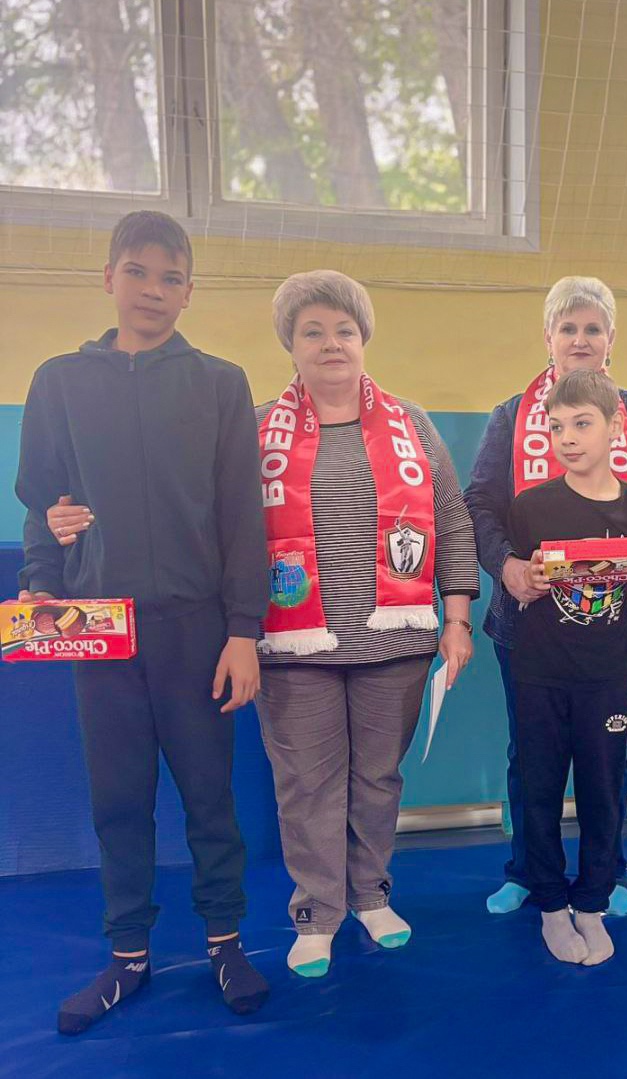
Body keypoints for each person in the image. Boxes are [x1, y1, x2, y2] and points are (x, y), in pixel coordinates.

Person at [16, 210, 270, 1034]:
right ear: (108, 278)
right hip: (101, 629)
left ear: (189, 291)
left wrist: (243, 629)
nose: (153, 290)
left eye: (171, 277)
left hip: (198, 630)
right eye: (137, 271)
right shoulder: (59, 381)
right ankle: (128, 954)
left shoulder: (221, 384)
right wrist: (40, 587)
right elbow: (45, 506)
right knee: (119, 800)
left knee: (210, 797)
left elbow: (243, 517)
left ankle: (226, 941)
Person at [252, 271, 478, 976]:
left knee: (378, 779)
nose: (331, 344)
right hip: (294, 647)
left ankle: (372, 895)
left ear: (363, 338)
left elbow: (452, 520)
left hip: (396, 641)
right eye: (313, 331)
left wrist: (458, 617)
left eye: (343, 330)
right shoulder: (256, 428)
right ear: (290, 343)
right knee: (307, 785)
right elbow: (226, 531)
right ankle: (317, 913)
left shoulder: (412, 423)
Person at [465, 276, 627, 916]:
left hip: (616, 626)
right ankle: (527, 870)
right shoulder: (512, 416)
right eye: (567, 328)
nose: (579, 339)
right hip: (527, 626)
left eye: (592, 328)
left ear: (610, 339)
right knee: (531, 757)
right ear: (548, 338)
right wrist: (507, 565)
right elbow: (480, 504)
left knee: (605, 756)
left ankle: (607, 873)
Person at [508, 369, 627, 964]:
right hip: (540, 673)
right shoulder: (531, 507)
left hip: (606, 676)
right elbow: (518, 580)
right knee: (540, 791)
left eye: (581, 424)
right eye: (556, 427)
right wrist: (524, 578)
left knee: (602, 791)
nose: (567, 438)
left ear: (614, 427)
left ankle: (592, 903)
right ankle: (551, 906)